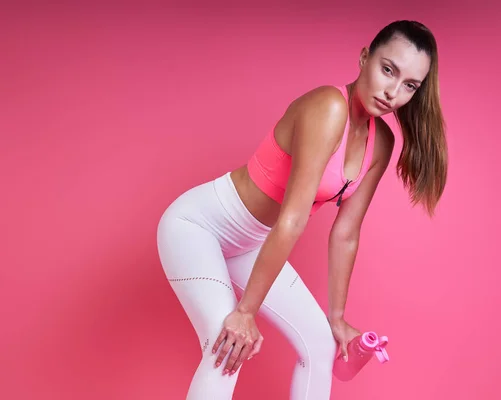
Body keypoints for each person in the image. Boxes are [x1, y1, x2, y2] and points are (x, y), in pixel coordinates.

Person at [156, 19, 448, 400]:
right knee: (226, 341)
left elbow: (346, 232)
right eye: (388, 70)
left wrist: (338, 317)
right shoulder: (328, 107)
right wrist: (246, 312)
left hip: (254, 243)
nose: (393, 91)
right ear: (364, 58)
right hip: (198, 227)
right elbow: (292, 218)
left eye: (409, 85)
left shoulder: (381, 143)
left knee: (320, 344)